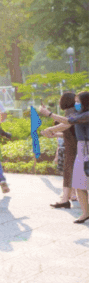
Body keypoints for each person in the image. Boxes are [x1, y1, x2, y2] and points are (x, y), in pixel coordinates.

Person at [41, 92, 89, 222]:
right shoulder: (78, 114)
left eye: (78, 101)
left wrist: (49, 114)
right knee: (79, 183)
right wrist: (53, 131)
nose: (76, 104)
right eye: (75, 101)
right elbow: (67, 124)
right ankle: (85, 213)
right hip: (81, 148)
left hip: (86, 149)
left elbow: (68, 121)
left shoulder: (86, 115)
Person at [41, 92, 78, 208]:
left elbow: (67, 124)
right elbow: (69, 131)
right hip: (71, 145)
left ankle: (66, 199)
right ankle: (65, 198)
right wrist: (55, 134)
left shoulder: (71, 111)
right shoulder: (71, 111)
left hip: (74, 146)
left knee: (70, 172)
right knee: (69, 172)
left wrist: (50, 126)